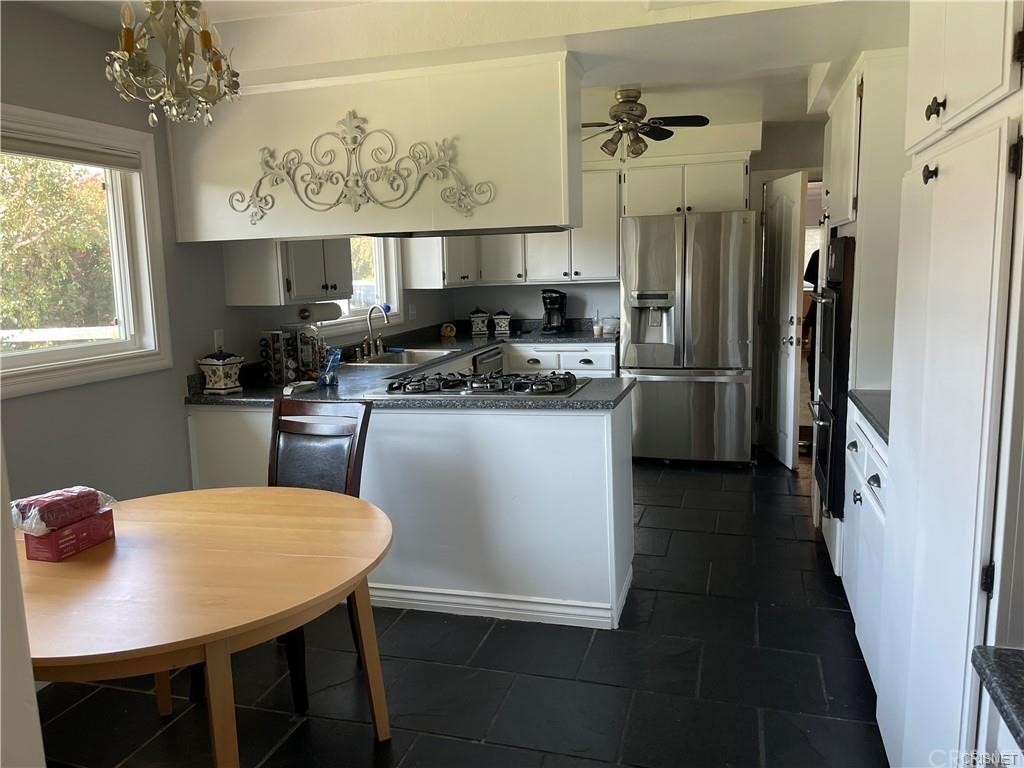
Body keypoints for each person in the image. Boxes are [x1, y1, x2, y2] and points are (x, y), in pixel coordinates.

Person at [802, 249, 820, 391]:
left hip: (819, 313)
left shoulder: (818, 254)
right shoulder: (818, 255)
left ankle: (815, 394)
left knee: (814, 360)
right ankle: (815, 395)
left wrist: (806, 325)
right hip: (819, 314)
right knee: (814, 360)